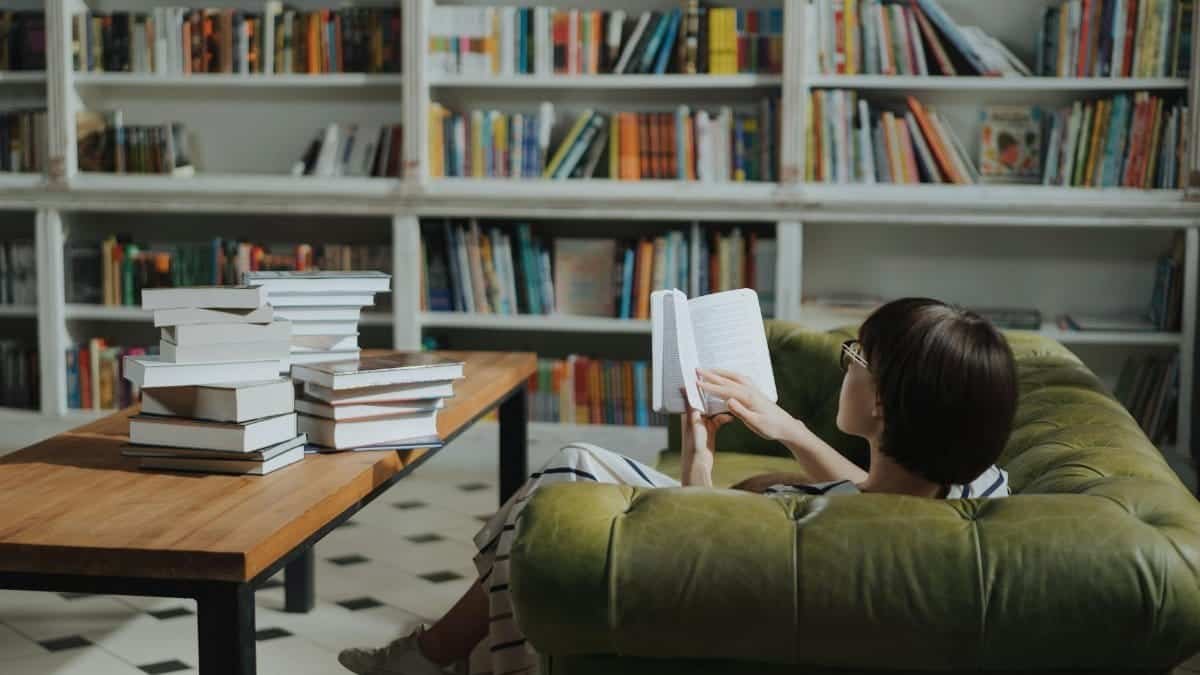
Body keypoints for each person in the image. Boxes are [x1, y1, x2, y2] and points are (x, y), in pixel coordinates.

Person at [337, 297, 1019, 675]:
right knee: (564, 483)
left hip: (697, 564)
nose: (846, 363)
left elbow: (698, 554)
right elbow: (883, 496)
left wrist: (699, 460)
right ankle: (433, 658)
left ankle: (431, 658)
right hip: (725, 533)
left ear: (882, 405)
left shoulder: (829, 528)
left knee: (566, 476)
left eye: (857, 356)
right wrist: (786, 431)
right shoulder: (975, 491)